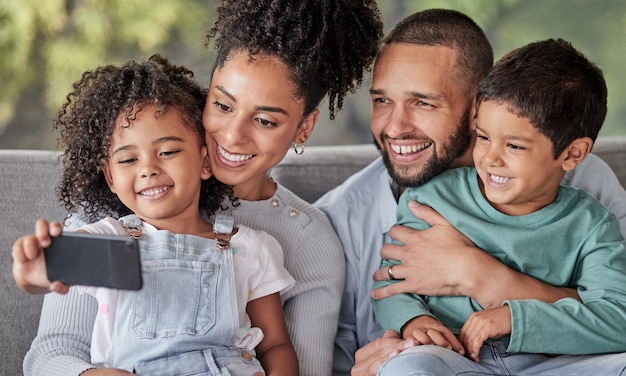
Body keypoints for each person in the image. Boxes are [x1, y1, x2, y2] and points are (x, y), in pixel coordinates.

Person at [61, 1, 384, 375]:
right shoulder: (121, 198)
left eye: (264, 120)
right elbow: (51, 354)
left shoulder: (307, 241)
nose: (232, 136)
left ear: (303, 128)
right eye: (223, 105)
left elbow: (292, 361)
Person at [314, 9, 626, 375]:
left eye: (423, 102)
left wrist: (486, 278)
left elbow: (616, 313)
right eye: (382, 100)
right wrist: (410, 328)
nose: (394, 127)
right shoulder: (338, 221)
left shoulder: (585, 188)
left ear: (477, 107)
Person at [12, 55, 298, 375]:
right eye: (128, 160)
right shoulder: (108, 242)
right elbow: (53, 274)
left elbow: (275, 345)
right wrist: (36, 275)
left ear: (205, 162)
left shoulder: (249, 248)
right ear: (110, 178)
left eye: (167, 152)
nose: (148, 169)